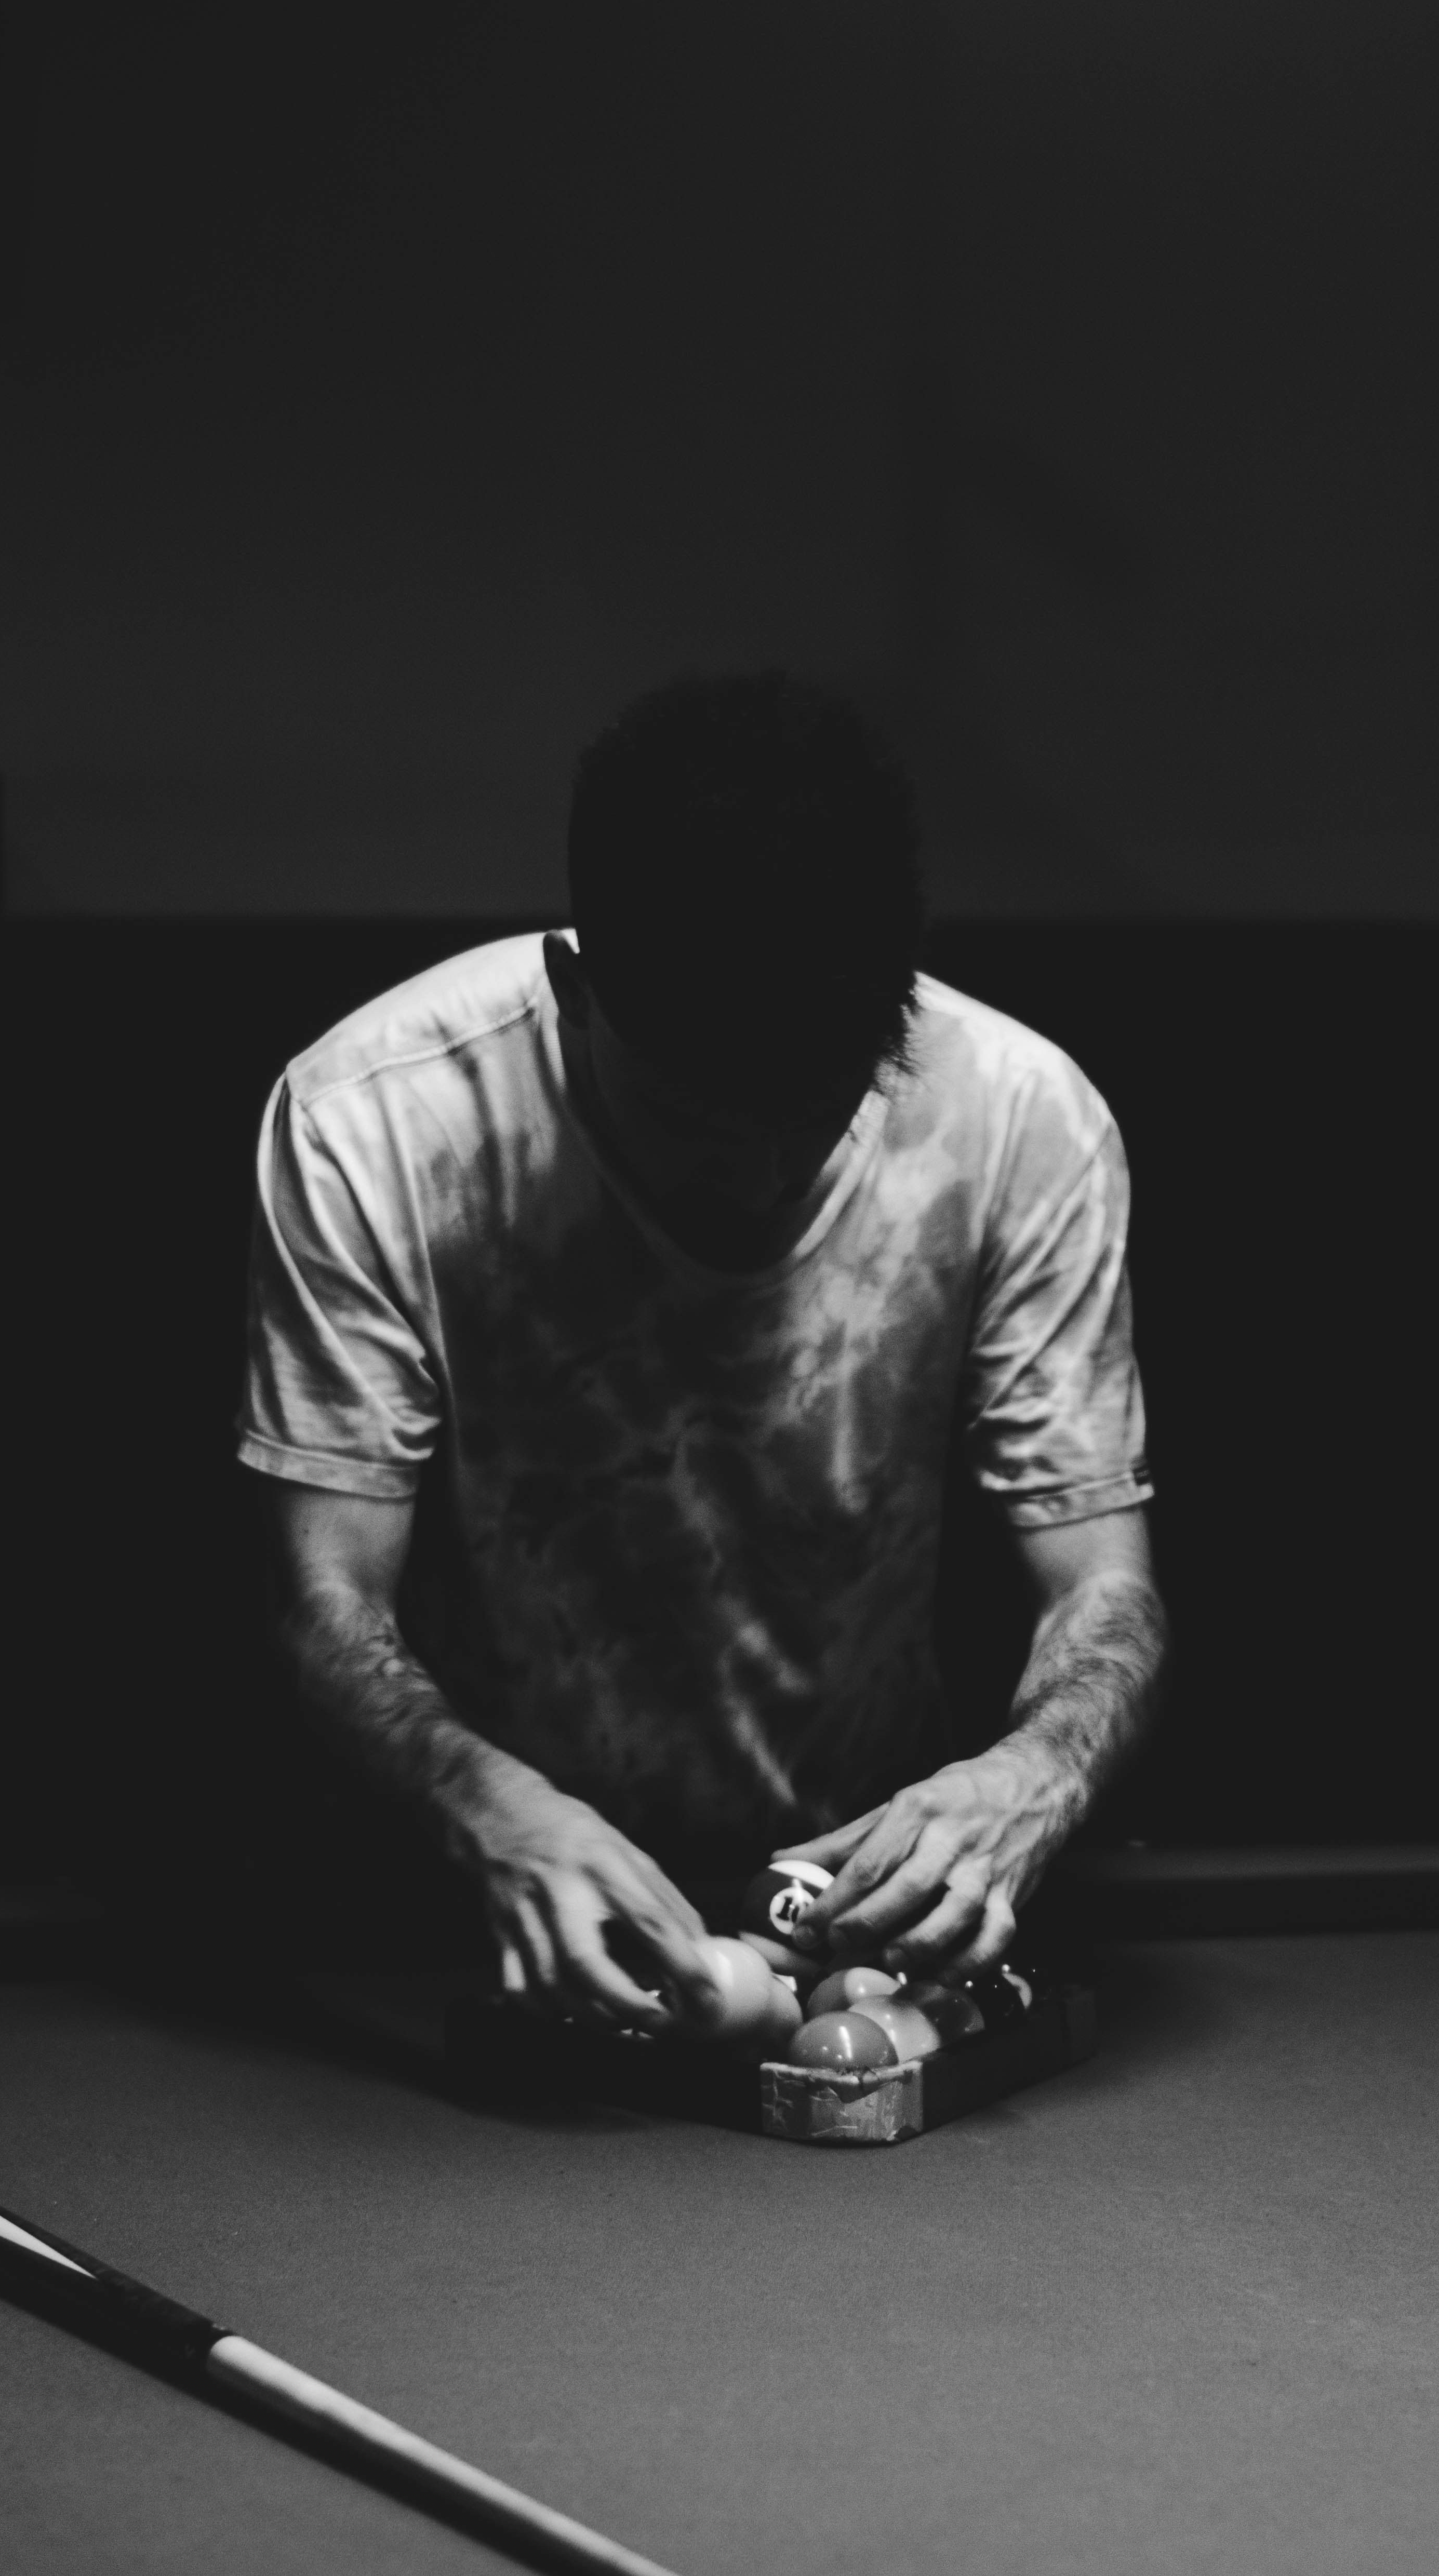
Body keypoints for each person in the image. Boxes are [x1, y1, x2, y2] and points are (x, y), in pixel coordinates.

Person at [238, 672, 1165, 2037]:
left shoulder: (1026, 1119)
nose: (760, 1174)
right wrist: (477, 1797)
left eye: (815, 1112)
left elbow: (1102, 1591)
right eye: (697, 1120)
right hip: (457, 1930)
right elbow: (322, 1599)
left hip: (854, 1922)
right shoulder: (371, 1122)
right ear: (573, 987)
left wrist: (1034, 1771)